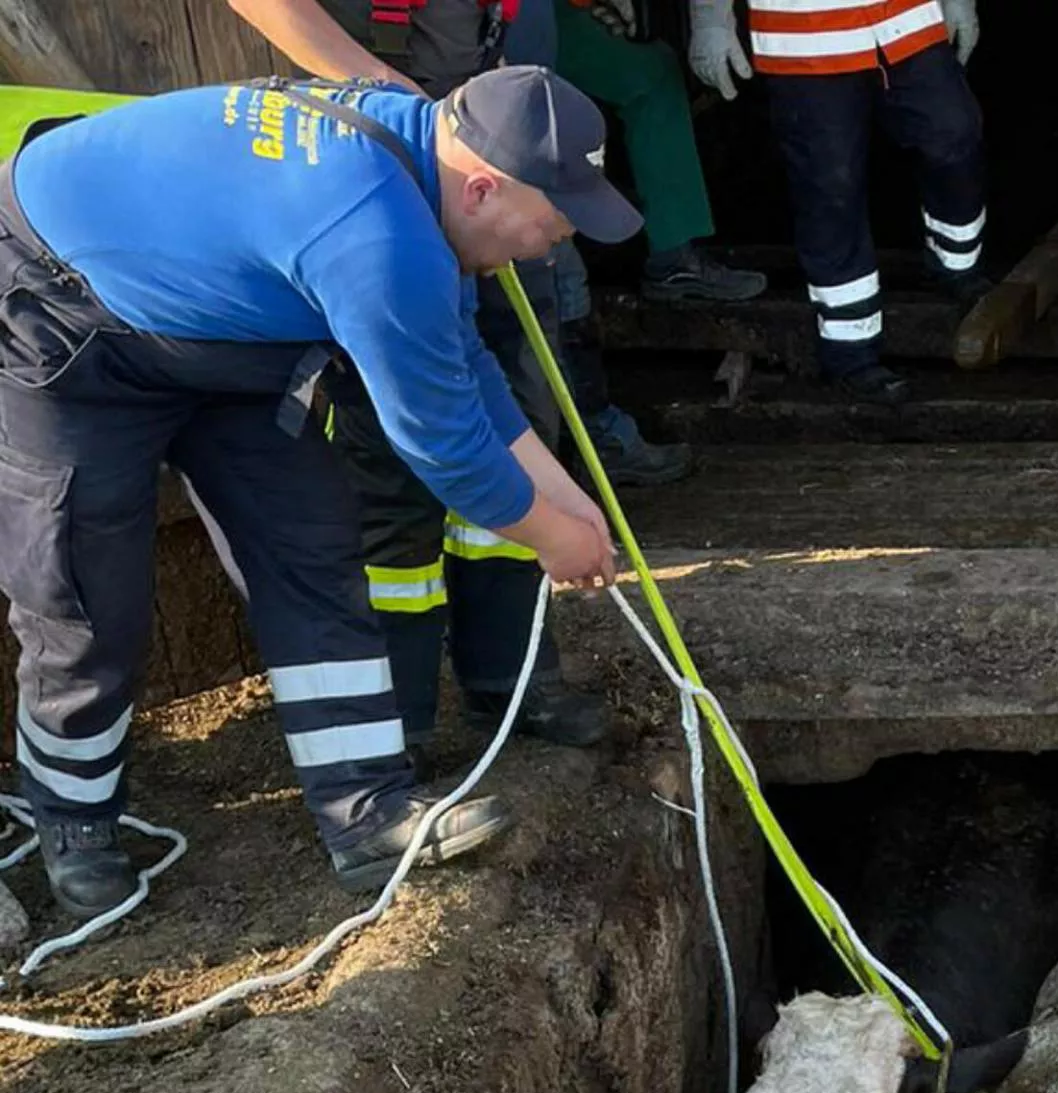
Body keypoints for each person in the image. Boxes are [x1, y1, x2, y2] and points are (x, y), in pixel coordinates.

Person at [0, 68, 623, 914]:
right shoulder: (378, 234)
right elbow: (442, 444)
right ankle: (73, 818)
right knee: (84, 591)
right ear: (482, 187)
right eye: (548, 226)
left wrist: (566, 497)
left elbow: (465, 364)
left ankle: (366, 814)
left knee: (313, 547)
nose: (547, 248)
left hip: (219, 330)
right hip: (62, 316)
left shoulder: (414, 158)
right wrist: (554, 538)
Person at [229, 0, 632, 765]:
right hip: (411, 172)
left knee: (519, 414)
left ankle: (511, 676)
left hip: (516, 180)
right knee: (393, 460)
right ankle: (399, 718)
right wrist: (372, 78)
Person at [686, 0, 991, 404]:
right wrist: (711, 19)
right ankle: (850, 350)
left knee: (953, 133)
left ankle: (959, 269)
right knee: (829, 188)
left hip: (908, 23)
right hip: (804, 39)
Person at [506, 0, 764, 468]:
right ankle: (587, 438)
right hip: (479, 60)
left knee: (649, 74)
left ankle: (673, 255)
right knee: (552, 277)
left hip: (525, 28)